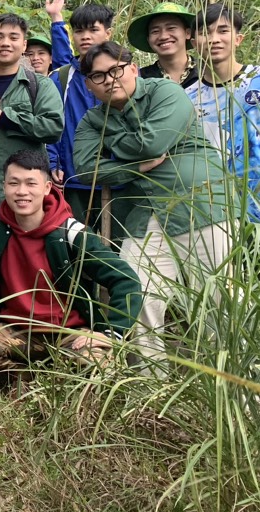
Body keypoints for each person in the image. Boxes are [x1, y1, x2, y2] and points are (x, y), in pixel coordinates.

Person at [73, 42, 235, 358]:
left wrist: (114, 146)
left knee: (217, 300)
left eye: (116, 70)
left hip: (201, 204)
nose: (109, 80)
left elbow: (152, 143)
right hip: (145, 212)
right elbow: (86, 169)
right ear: (89, 85)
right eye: (98, 76)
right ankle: (150, 381)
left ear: (133, 68)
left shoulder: (165, 92)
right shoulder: (93, 119)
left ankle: (230, 380)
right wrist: (136, 167)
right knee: (136, 292)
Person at [0, 150, 142, 382]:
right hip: (15, 331)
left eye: (31, 183)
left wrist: (112, 334)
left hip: (68, 333)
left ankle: (54, 381)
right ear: (4, 186)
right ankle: (29, 380)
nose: (22, 191)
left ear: (47, 188)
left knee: (97, 363)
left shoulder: (70, 232)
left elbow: (126, 280)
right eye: (14, 183)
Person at [0, 14, 64, 215]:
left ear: (24, 45)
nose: (5, 43)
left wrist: (4, 117)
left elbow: (53, 128)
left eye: (13, 37)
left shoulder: (40, 85)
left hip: (23, 196)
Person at [44, 0, 120, 228]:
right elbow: (53, 124)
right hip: (74, 177)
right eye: (78, 31)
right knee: (76, 240)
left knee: (118, 242)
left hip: (118, 178)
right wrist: (54, 162)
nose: (85, 36)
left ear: (108, 33)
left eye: (93, 30)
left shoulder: (123, 73)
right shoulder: (63, 77)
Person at [185, 3, 260, 218]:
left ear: (238, 38)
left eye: (223, 31)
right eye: (205, 33)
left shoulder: (256, 79)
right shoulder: (187, 96)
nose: (214, 39)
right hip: (217, 208)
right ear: (193, 43)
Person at [129, 2, 199, 87]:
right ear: (148, 40)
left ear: (188, 33)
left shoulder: (206, 72)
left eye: (171, 28)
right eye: (155, 31)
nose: (163, 36)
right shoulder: (141, 80)